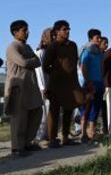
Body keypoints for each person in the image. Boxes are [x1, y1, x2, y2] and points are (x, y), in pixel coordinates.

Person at [43, 20, 87, 148]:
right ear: (57, 31)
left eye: (68, 29)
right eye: (64, 29)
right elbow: (46, 66)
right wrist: (57, 73)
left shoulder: (73, 45)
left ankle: (66, 137)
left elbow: (74, 63)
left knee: (69, 109)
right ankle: (52, 139)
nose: (67, 31)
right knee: (54, 111)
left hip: (71, 84)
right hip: (56, 84)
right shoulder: (53, 47)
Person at [4, 20, 43, 157]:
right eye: (24, 30)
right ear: (15, 32)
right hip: (18, 87)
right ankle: (16, 148)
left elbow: (38, 61)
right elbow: (23, 62)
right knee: (19, 119)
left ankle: (27, 143)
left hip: (31, 87)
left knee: (36, 112)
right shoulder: (12, 47)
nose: (27, 33)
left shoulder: (27, 47)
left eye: (27, 30)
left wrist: (30, 61)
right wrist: (31, 61)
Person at [79, 29, 104, 142]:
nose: (99, 39)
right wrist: (89, 82)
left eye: (100, 37)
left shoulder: (99, 52)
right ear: (91, 38)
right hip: (89, 83)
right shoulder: (87, 50)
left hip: (99, 83)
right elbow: (83, 67)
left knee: (96, 108)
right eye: (97, 37)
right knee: (86, 109)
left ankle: (92, 132)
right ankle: (83, 134)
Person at [35, 28, 53, 141]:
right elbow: (39, 70)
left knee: (49, 110)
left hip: (50, 86)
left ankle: (47, 134)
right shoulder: (40, 52)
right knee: (43, 112)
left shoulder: (49, 52)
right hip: (43, 87)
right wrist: (43, 87)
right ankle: (39, 136)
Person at [99, 36, 109, 135]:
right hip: (98, 84)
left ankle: (105, 128)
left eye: (107, 43)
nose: (106, 45)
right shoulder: (97, 55)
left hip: (105, 85)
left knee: (105, 107)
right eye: (104, 43)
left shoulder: (106, 54)